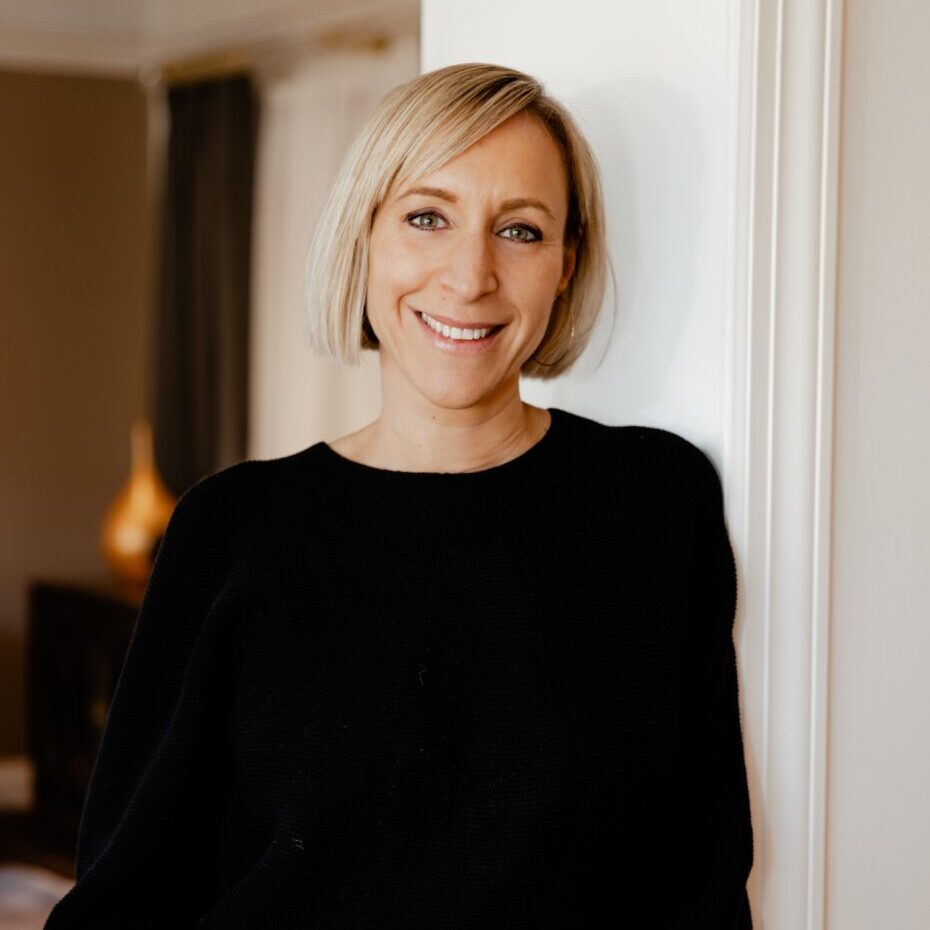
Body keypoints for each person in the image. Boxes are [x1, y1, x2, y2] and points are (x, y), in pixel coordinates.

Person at [45, 62, 754, 928]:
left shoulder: (655, 503)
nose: (469, 276)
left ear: (566, 264)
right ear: (364, 238)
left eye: (521, 232)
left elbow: (702, 872)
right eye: (427, 217)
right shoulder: (232, 529)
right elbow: (131, 887)